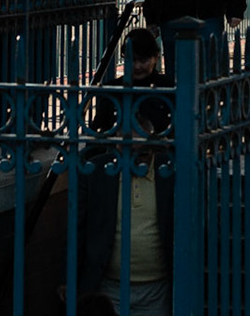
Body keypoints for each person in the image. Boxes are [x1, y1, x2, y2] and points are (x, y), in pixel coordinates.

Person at [73, 28, 175, 314]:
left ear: (156, 58)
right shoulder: (112, 91)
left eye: (145, 59)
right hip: (111, 283)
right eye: (133, 59)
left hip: (156, 284)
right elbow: (97, 134)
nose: (139, 65)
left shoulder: (168, 88)